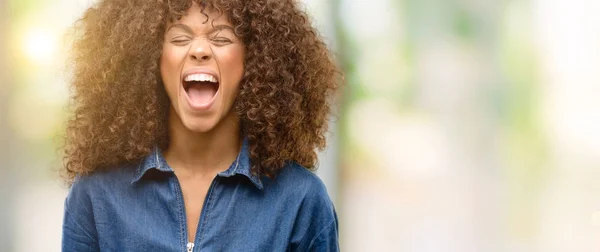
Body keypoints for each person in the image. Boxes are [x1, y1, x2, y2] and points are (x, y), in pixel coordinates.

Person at [60, 0, 341, 251]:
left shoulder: (301, 200)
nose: (199, 50)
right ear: (150, 58)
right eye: (180, 38)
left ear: (254, 60)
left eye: (221, 38)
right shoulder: (96, 196)